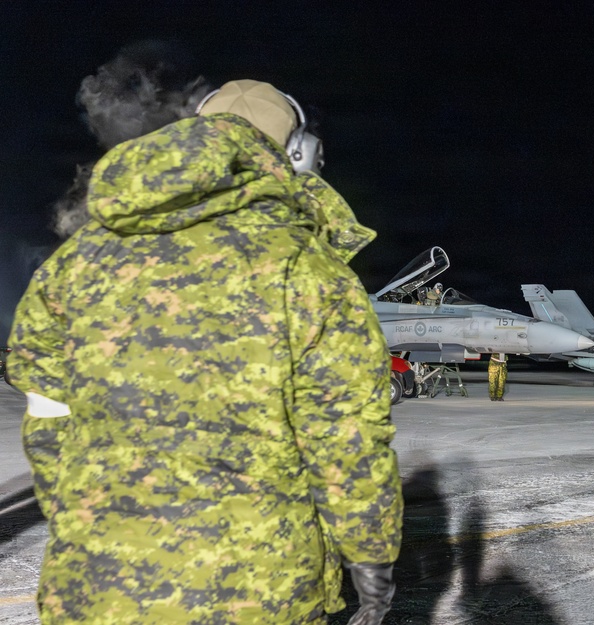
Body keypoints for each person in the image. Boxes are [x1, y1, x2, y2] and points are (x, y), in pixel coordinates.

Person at [6, 79, 402, 625]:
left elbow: (46, 408)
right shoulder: (307, 271)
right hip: (257, 591)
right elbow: (346, 438)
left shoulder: (76, 261)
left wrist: (78, 511)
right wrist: (371, 559)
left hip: (95, 587)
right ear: (297, 155)